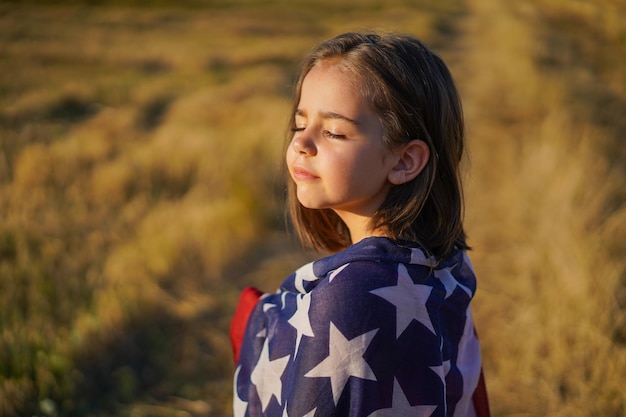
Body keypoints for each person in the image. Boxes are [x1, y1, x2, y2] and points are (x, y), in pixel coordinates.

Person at [230, 32, 489, 417]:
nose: (303, 143)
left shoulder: (354, 297)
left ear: (404, 161)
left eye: (334, 131)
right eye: (299, 125)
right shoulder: (438, 261)